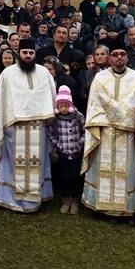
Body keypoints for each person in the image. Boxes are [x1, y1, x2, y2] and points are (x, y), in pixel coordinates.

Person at [81, 38, 135, 223]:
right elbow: (95, 105)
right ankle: (103, 208)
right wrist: (118, 115)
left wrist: (119, 115)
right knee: (103, 170)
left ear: (127, 57)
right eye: (114, 55)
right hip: (105, 134)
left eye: (122, 55)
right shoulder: (100, 78)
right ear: (109, 58)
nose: (118, 58)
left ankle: (127, 210)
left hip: (128, 135)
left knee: (128, 172)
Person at [0, 39, 56, 212]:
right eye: (25, 53)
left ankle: (35, 198)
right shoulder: (7, 74)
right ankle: (10, 200)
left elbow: (51, 97)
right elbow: (0, 102)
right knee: (12, 164)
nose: (28, 56)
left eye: (31, 53)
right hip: (14, 129)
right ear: (19, 53)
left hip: (38, 128)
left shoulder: (44, 73)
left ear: (35, 54)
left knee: (38, 163)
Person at [48, 86, 86, 214]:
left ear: (70, 105)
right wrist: (57, 144)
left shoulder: (78, 116)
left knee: (74, 176)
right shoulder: (55, 119)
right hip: (63, 152)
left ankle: (74, 199)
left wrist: (80, 144)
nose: (63, 109)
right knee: (64, 176)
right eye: (60, 106)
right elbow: (51, 133)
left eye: (65, 106)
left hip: (76, 152)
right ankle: (66, 199)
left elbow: (85, 130)